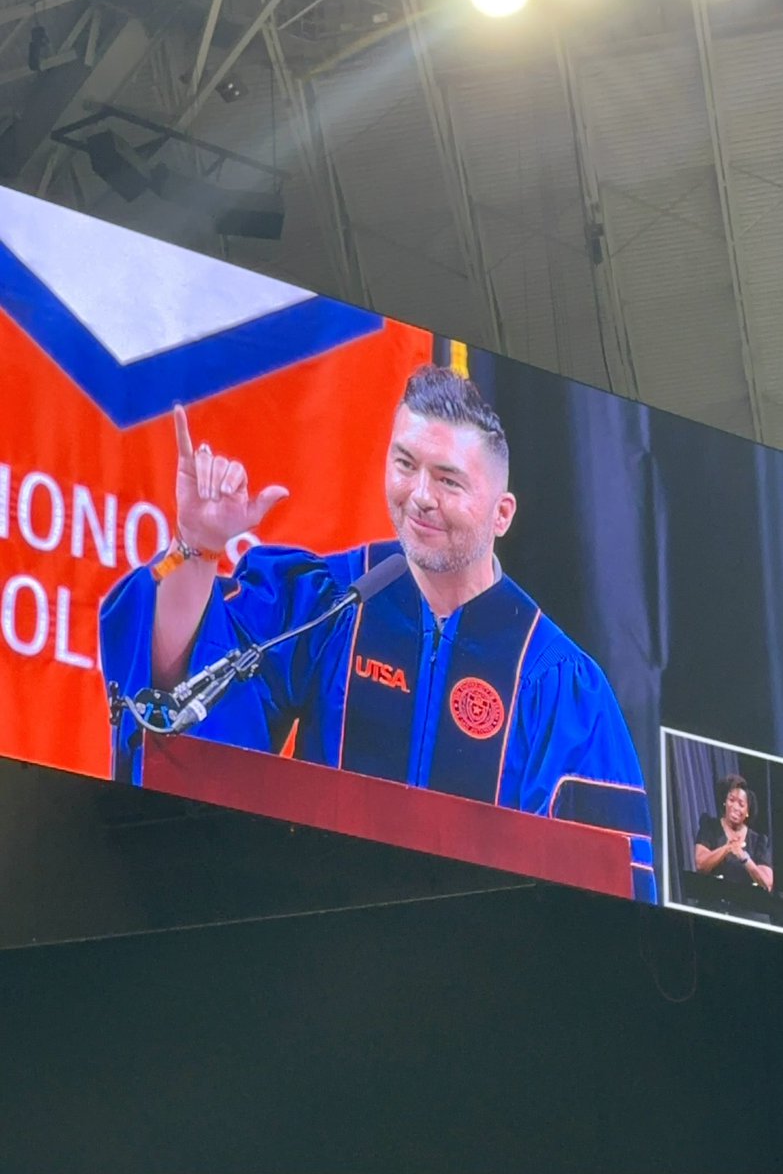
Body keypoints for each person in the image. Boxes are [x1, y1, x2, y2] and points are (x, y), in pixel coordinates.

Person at [101, 366, 655, 899]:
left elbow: (599, 885)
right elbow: (179, 705)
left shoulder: (553, 678)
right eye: (404, 463)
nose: (419, 495)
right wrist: (197, 550)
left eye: (447, 479)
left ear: (501, 514)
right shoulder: (332, 600)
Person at [694, 775, 773, 893]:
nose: (735, 807)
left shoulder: (758, 841)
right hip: (712, 900)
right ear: (725, 802)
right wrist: (727, 848)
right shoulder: (710, 827)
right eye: (731, 800)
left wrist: (744, 858)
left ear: (747, 812)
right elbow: (700, 864)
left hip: (745, 906)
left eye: (741, 804)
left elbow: (767, 883)